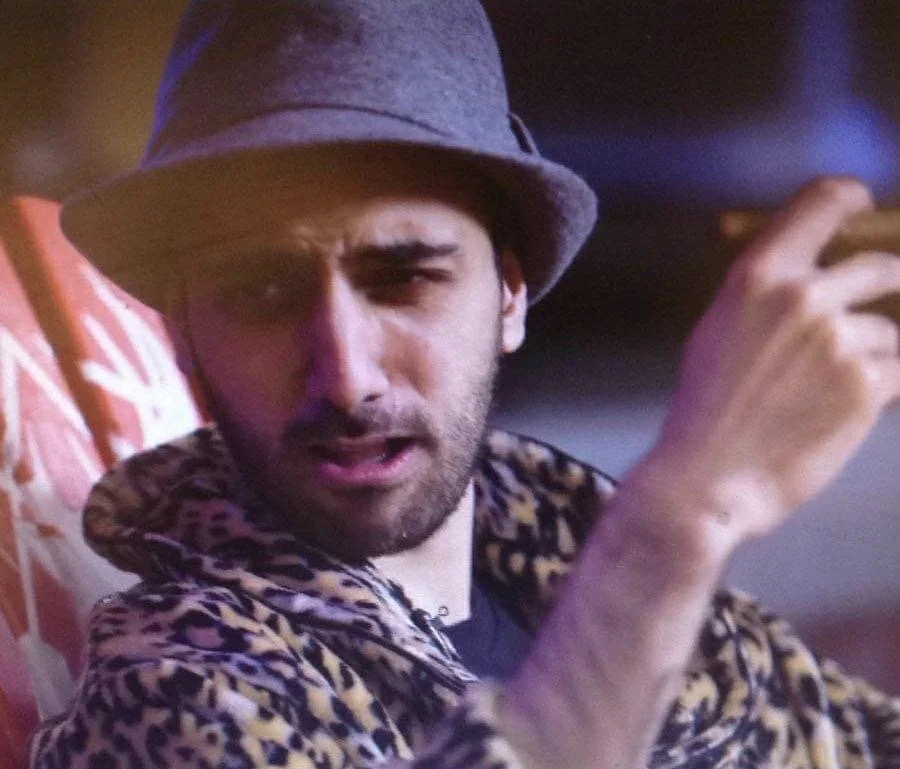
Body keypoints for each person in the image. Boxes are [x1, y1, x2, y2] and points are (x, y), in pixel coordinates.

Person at [28, 2, 900, 768]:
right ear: (182, 330)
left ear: (510, 293)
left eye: (404, 278)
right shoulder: (173, 692)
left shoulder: (573, 565)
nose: (347, 377)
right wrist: (682, 516)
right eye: (262, 294)